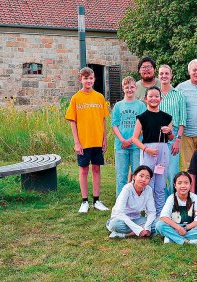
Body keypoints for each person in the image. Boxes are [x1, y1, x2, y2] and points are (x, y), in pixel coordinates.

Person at [65, 67, 110, 213]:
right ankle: (84, 201)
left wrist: (104, 139)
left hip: (97, 141)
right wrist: (76, 142)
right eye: (85, 78)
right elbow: (73, 121)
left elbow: (103, 120)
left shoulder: (99, 97)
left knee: (96, 169)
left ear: (94, 79)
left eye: (91, 78)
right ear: (80, 80)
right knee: (83, 170)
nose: (88, 81)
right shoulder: (76, 98)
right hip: (83, 142)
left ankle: (96, 200)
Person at [131, 86, 174, 215]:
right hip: (148, 151)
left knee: (160, 183)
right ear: (145, 99)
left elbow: (171, 137)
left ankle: (160, 211)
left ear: (160, 99)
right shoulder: (142, 117)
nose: (154, 99)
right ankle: (149, 210)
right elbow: (134, 138)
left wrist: (169, 131)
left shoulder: (167, 117)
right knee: (147, 181)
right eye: (151, 96)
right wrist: (146, 149)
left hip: (163, 150)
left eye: (156, 96)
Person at [111, 76, 147, 197]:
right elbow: (114, 125)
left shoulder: (141, 106)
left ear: (136, 88)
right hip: (121, 145)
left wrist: (133, 139)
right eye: (127, 87)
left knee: (137, 175)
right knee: (121, 175)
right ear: (123, 88)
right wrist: (122, 140)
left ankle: (135, 199)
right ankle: (120, 202)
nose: (129, 90)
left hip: (136, 145)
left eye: (132, 87)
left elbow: (143, 126)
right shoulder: (118, 106)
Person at [156, 171, 197, 244]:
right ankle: (188, 241)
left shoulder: (194, 197)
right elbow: (164, 216)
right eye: (179, 183)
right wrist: (178, 228)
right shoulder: (171, 198)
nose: (183, 186)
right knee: (159, 225)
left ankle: (172, 239)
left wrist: (185, 228)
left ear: (190, 185)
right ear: (175, 185)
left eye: (186, 183)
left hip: (190, 227)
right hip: (174, 227)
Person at [158, 65, 187, 198]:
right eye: (161, 73)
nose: (164, 76)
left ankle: (173, 202)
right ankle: (160, 201)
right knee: (159, 171)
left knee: (172, 171)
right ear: (158, 76)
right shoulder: (154, 94)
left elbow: (182, 120)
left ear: (171, 75)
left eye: (166, 73)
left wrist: (178, 139)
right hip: (156, 135)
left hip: (173, 134)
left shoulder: (179, 95)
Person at [106, 165, 156, 238]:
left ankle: (125, 234)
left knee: (157, 223)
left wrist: (147, 228)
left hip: (136, 219)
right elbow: (120, 212)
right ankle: (135, 232)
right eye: (141, 176)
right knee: (114, 224)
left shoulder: (148, 190)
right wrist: (138, 229)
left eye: (147, 178)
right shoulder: (127, 189)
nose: (144, 179)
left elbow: (151, 212)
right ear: (134, 177)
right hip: (121, 220)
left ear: (149, 180)